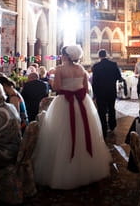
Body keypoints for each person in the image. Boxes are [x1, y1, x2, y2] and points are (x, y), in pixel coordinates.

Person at [33, 45, 111, 190]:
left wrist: (54, 82)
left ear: (65, 56)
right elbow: (86, 89)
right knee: (84, 132)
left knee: (63, 134)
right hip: (82, 102)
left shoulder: (60, 69)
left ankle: (65, 170)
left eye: (62, 55)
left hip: (65, 102)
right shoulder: (81, 69)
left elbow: (56, 87)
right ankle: (88, 169)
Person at [91, 49, 124, 138]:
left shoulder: (96, 66)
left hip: (100, 92)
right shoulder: (113, 64)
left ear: (99, 56)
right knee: (111, 108)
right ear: (106, 55)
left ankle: (103, 127)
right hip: (111, 90)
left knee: (101, 110)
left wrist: (94, 94)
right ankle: (112, 126)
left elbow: (94, 82)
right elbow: (119, 77)